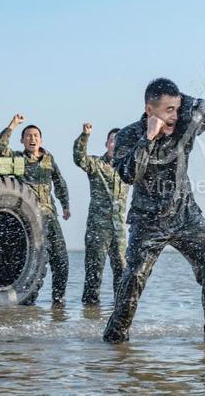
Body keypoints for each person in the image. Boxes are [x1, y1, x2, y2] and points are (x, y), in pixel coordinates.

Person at [103, 78, 205, 343]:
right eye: (168, 110)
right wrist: (147, 139)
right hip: (148, 221)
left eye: (177, 108)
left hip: (186, 217)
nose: (175, 115)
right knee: (134, 277)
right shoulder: (128, 135)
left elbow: (202, 106)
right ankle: (115, 342)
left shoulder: (184, 127)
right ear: (149, 110)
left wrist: (179, 100)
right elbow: (128, 175)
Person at [0, 115, 71, 306]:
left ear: (41, 139)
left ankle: (58, 300)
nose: (32, 139)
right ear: (22, 140)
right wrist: (12, 124)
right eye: (28, 136)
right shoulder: (18, 159)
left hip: (49, 214)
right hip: (28, 217)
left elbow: (59, 182)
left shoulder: (48, 159)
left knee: (61, 258)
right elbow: (0, 148)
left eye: (36, 135)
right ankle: (28, 302)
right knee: (34, 261)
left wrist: (65, 205)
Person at [73, 123, 129, 305]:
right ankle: (90, 315)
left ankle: (119, 311)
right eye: (113, 140)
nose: (116, 144)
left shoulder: (128, 169)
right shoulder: (97, 165)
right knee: (94, 273)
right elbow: (79, 158)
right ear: (107, 144)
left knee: (122, 272)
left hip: (119, 230)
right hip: (98, 229)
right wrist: (85, 135)